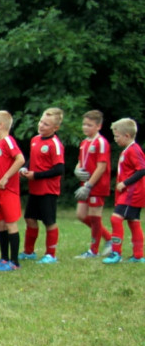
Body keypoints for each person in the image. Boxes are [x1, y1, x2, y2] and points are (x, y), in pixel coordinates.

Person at [19, 108, 65, 263]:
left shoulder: (55, 144)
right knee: (29, 218)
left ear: (55, 128)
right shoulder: (35, 140)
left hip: (48, 190)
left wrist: (36, 175)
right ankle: (29, 252)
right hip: (35, 189)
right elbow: (34, 161)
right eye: (41, 122)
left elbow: (59, 169)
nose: (42, 125)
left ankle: (51, 255)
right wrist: (25, 168)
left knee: (49, 221)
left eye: (46, 124)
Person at [0, 110, 26, 271]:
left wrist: (6, 177)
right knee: (1, 224)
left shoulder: (8, 141)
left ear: (1, 125)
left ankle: (14, 262)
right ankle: (4, 259)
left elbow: (20, 159)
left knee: (10, 224)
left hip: (8, 190)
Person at [102, 118, 145, 264]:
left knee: (116, 219)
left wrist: (124, 183)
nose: (115, 139)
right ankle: (138, 256)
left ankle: (116, 253)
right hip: (132, 193)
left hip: (132, 193)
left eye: (117, 136)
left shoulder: (133, 150)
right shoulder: (129, 150)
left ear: (127, 135)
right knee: (133, 221)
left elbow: (142, 169)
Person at [74, 110, 113, 258]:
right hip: (85, 185)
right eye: (84, 124)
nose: (85, 127)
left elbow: (101, 166)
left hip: (97, 186)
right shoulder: (84, 142)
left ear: (98, 126)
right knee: (81, 215)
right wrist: (77, 170)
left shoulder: (101, 142)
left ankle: (93, 250)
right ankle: (109, 238)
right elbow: (80, 162)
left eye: (89, 125)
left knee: (95, 216)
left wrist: (89, 185)